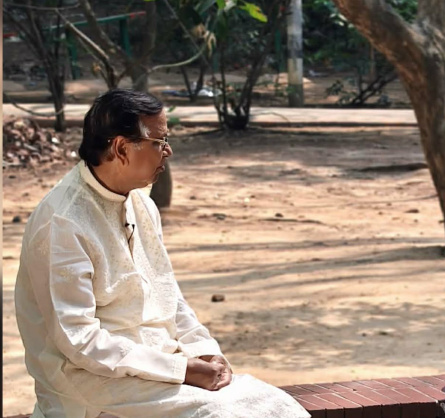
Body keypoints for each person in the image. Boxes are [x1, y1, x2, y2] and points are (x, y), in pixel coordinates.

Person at [15, 89, 311, 418]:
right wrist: (179, 369)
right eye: (159, 142)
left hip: (159, 366)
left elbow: (169, 297)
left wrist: (204, 351)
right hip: (88, 383)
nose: (168, 151)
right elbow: (79, 340)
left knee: (277, 405)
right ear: (121, 148)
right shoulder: (62, 221)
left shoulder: (142, 204)